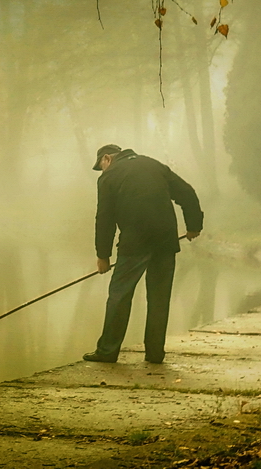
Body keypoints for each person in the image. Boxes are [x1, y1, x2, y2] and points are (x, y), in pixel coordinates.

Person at [83, 144, 203, 365]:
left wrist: (103, 256)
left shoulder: (108, 178)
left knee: (119, 296)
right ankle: (155, 353)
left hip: (134, 244)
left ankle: (108, 351)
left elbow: (105, 219)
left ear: (107, 158)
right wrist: (194, 225)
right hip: (165, 242)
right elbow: (186, 192)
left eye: (100, 166)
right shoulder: (153, 165)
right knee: (159, 298)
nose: (101, 171)